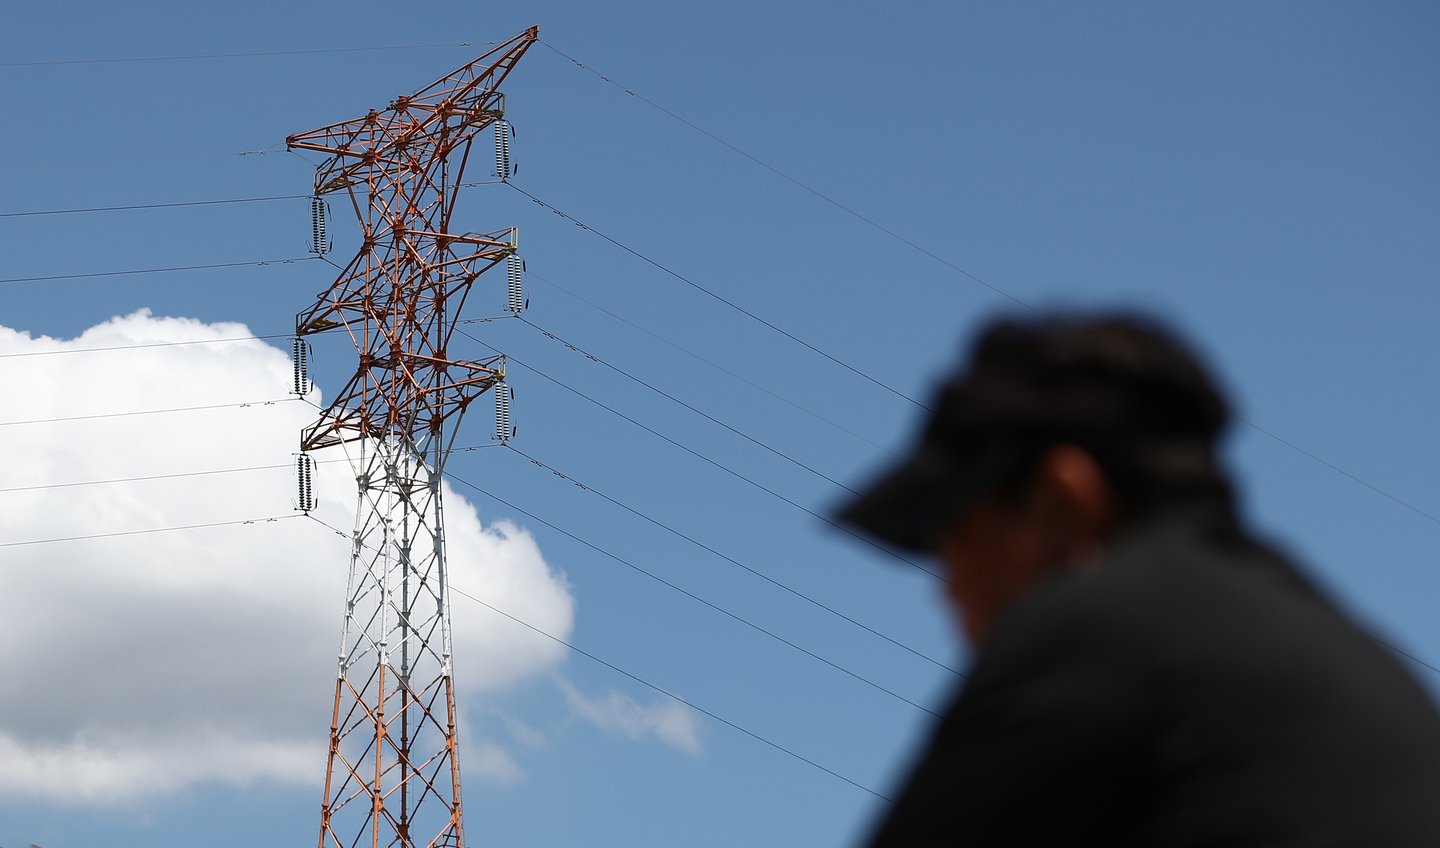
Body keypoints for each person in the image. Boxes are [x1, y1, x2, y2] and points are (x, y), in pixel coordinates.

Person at [838, 314, 1440, 846]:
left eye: (951, 537)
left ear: (1060, 500)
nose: (943, 586)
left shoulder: (1103, 626)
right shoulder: (1295, 625)